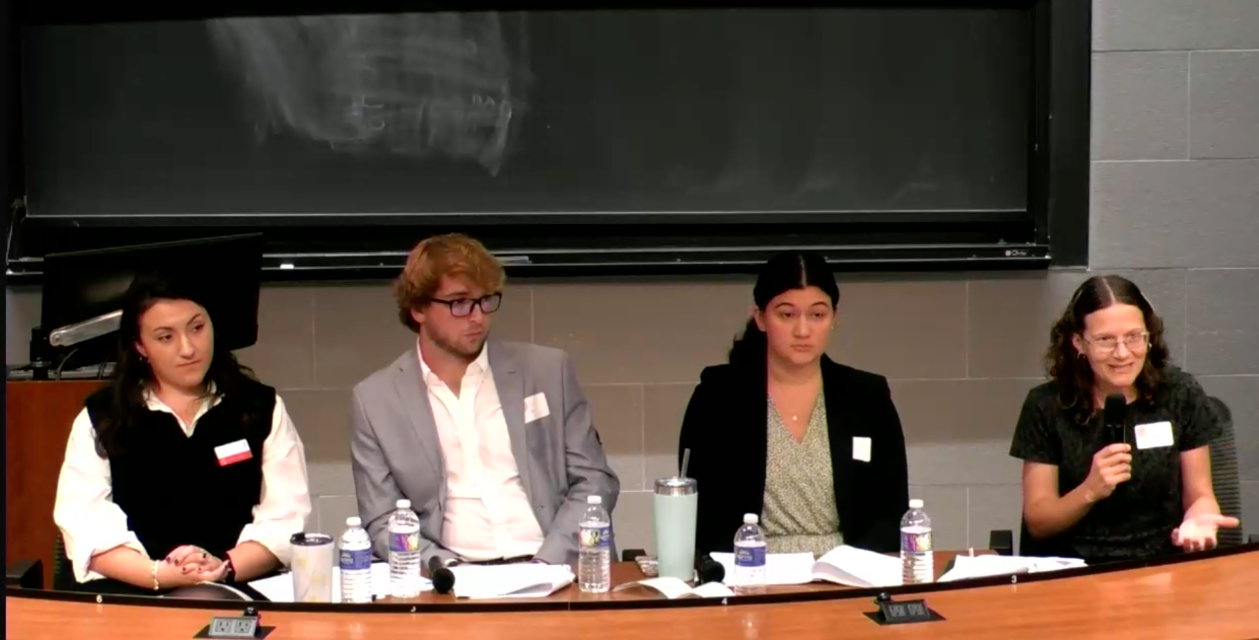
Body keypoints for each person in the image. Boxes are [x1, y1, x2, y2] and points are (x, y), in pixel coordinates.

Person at [350, 233, 619, 568]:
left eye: (486, 300)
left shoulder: (547, 371)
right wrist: (445, 571)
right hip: (451, 577)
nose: (477, 317)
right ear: (418, 309)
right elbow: (382, 519)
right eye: (459, 303)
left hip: (554, 567)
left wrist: (547, 565)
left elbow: (595, 482)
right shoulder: (376, 399)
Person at [53, 272, 311, 595]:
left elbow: (286, 520)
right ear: (139, 346)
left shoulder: (260, 408)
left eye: (197, 328)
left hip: (235, 588)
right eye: (165, 337)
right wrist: (159, 575)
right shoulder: (102, 418)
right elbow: (85, 525)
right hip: (130, 593)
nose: (188, 348)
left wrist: (222, 568)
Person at [678, 251, 909, 557]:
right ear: (760, 318)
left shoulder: (867, 396)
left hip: (846, 575)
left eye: (817, 314)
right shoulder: (718, 396)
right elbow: (701, 515)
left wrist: (852, 570)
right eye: (787, 315)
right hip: (749, 574)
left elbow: (891, 511)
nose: (803, 331)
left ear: (833, 318)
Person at [1009, 275, 1240, 563]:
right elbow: (1039, 522)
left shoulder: (1180, 393)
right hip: (1074, 569)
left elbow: (1200, 496)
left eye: (1134, 337)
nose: (1122, 353)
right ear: (1079, 343)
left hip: (1161, 564)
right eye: (1105, 340)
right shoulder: (1046, 406)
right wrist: (1090, 490)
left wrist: (1200, 517)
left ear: (1149, 337)